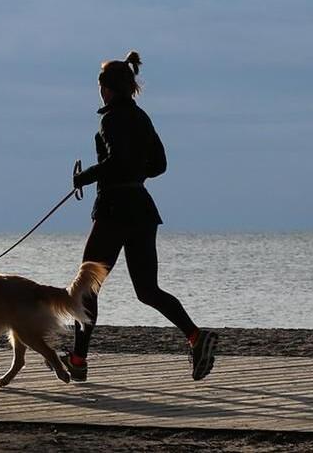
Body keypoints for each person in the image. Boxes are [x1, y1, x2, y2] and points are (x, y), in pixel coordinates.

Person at [65, 50, 218, 382]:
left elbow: (116, 161)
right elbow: (160, 165)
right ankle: (195, 336)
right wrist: (136, 176)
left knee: (86, 289)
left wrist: (84, 178)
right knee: (147, 290)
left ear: (106, 88)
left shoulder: (110, 119)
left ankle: (78, 360)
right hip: (142, 209)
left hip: (113, 209)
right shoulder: (141, 117)